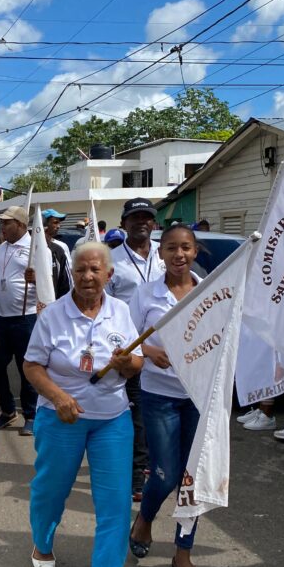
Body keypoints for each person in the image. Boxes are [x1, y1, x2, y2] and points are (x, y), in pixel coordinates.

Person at [23, 241, 143, 567]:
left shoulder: (121, 311)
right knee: (50, 490)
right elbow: (31, 366)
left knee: (116, 504)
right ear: (70, 273)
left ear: (109, 275)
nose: (88, 277)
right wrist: (58, 397)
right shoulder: (53, 315)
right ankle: (42, 544)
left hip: (112, 419)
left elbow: (136, 361)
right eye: (81, 270)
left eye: (96, 270)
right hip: (61, 418)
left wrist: (127, 364)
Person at [127, 224, 211, 567]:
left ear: (195, 252)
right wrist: (148, 351)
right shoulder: (145, 295)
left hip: (199, 395)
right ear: (160, 253)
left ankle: (183, 554)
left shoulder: (210, 293)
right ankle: (145, 518)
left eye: (187, 248)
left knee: (194, 479)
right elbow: (124, 339)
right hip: (158, 395)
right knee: (165, 474)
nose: (179, 254)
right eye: (172, 248)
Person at [107, 198, 165, 501]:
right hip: (133, 351)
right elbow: (105, 311)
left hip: (170, 353)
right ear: (124, 223)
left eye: (147, 217)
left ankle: (162, 470)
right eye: (135, 217)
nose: (141, 222)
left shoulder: (167, 254)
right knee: (139, 416)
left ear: (154, 223)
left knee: (162, 415)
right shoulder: (112, 260)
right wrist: (139, 348)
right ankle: (136, 477)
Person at [0, 205, 39, 436]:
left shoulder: (36, 248)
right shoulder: (1, 249)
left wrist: (36, 278)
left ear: (20, 224)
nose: (1, 227)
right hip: (1, 317)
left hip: (26, 318)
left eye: (6, 223)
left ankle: (31, 415)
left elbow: (50, 284)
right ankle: (8, 411)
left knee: (26, 368)